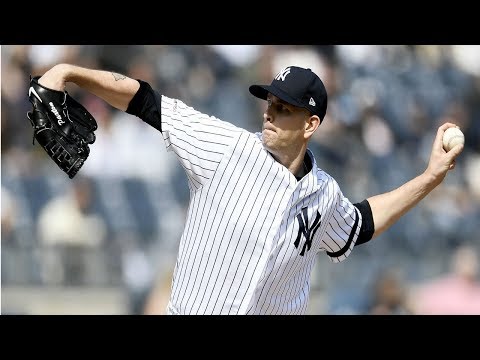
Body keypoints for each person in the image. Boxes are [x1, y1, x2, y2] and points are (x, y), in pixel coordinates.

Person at [34, 63, 464, 315]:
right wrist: (67, 72)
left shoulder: (324, 194)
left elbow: (362, 223)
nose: (270, 113)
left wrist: (430, 178)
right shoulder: (226, 148)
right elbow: (145, 101)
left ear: (311, 125)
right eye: (269, 103)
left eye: (283, 108)